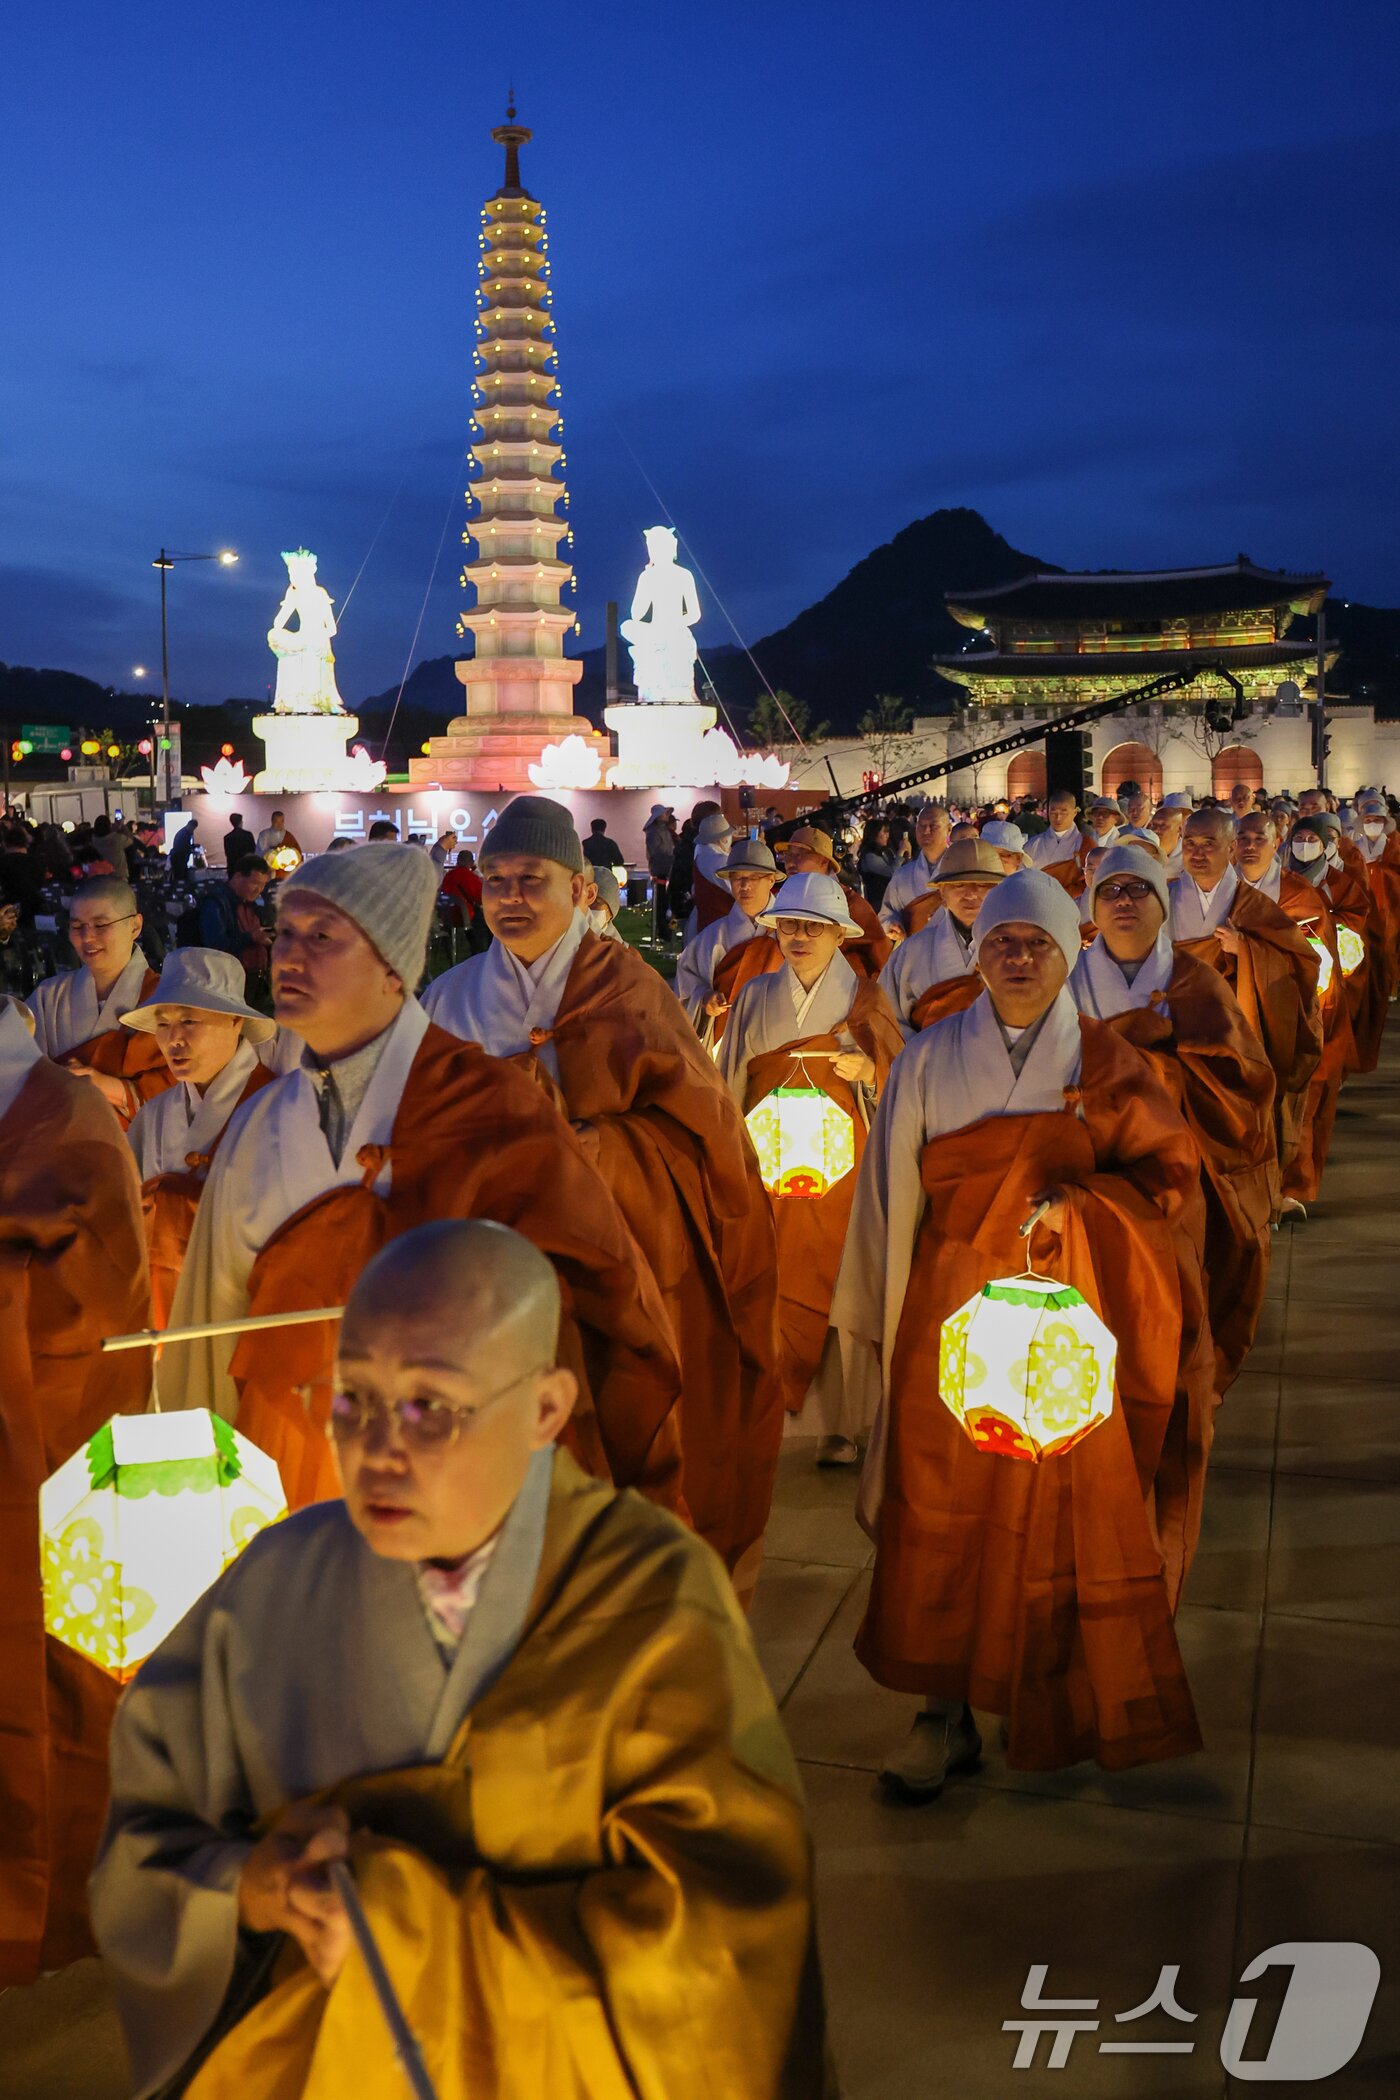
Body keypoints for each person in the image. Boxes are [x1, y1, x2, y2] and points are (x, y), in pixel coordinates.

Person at [91, 1221, 828, 2100]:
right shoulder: (276, 1583)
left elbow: (723, 1958)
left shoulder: (654, 1601)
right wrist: (245, 1891)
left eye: (429, 1409)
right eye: (352, 1399)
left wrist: (405, 1931)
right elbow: (147, 1838)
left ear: (546, 1410)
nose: (376, 1449)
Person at [162, 844, 685, 1523]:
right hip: (283, 1477)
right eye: (284, 932)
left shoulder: (491, 1109)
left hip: (450, 1474)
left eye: (321, 937)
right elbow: (210, 1330)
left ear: (391, 966)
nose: (288, 956)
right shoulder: (260, 1122)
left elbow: (596, 1294)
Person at [827, 871, 1206, 1793]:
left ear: (1069, 951)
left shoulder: (1109, 1065)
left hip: (1068, 1324)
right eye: (1002, 941)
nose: (1019, 958)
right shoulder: (928, 1057)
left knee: (1056, 1515)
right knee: (940, 1509)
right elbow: (889, 1199)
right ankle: (939, 1713)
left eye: (1038, 943)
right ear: (979, 952)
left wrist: (1084, 1208)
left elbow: (1168, 1183)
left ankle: (1053, 1698)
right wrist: (881, 1315)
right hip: (950, 1315)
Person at [421, 797, 782, 1600]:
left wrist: (603, 1151)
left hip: (622, 1257)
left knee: (623, 1434)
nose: (510, 898)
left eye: (532, 880)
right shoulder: (450, 1001)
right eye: (496, 881)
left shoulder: (629, 992)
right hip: (495, 1269)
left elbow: (705, 1135)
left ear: (581, 890)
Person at [0, 994, 150, 1985]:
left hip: (51, 1449)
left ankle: (56, 1912)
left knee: (58, 1677)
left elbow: (90, 1307)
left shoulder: (66, 1119)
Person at [1071, 845, 1275, 1390]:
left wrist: (1163, 1071)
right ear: (1093, 907)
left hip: (1176, 1163)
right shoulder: (1065, 980)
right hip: (1089, 1158)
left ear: (1163, 905)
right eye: (1110, 890)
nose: (1124, 901)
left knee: (1177, 1285)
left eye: (1139, 889)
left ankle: (1174, 1389)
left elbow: (1244, 1080)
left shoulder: (1198, 983)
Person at [716, 874, 903, 1468]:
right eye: (789, 926)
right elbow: (730, 1078)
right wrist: (727, 1152)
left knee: (840, 1277)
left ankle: (841, 1424)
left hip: (840, 1163)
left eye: (813, 928)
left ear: (839, 936)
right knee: (767, 1270)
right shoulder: (755, 994)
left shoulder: (865, 999)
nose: (798, 937)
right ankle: (769, 1411)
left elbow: (899, 1069)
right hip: (768, 1154)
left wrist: (869, 1070)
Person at [1170, 808, 1323, 1189]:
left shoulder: (1251, 904)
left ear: (1229, 850)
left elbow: (1302, 962)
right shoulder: (1163, 897)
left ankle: (1247, 1192)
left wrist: (1248, 950)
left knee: (1238, 1115)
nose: (1197, 853)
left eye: (1209, 844)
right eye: (1190, 843)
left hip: (1237, 1025)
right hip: (1175, 1025)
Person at [124, 951, 278, 1325]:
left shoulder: (278, 1107)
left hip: (244, 1306)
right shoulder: (154, 1116)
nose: (172, 1039)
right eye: (163, 1024)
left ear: (236, 1021)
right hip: (166, 1309)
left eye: (189, 1021)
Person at [26, 875, 171, 1127]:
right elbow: (17, 1071)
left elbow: (183, 1093)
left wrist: (108, 1087)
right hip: (58, 1136)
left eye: (100, 925)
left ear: (135, 927)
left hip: (137, 1144)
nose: (87, 937)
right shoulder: (48, 996)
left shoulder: (165, 998)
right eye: (77, 926)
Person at [878, 838, 1004, 1037]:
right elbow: (885, 1018)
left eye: (983, 884)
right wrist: (923, 1052)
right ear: (942, 893)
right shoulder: (912, 951)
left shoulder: (1018, 950)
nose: (971, 894)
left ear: (1001, 891)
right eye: (959, 884)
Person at [674, 835, 781, 1034]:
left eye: (754, 877)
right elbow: (685, 980)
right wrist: (704, 997)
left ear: (771, 880)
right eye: (737, 878)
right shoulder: (712, 937)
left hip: (777, 1032)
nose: (744, 885)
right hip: (726, 1034)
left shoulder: (788, 930)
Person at [781, 824, 891, 977]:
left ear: (824, 861)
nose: (790, 862)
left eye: (800, 855)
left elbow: (881, 958)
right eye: (788, 855)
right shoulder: (785, 898)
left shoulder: (849, 904)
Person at [877, 802, 950, 935]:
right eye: (921, 826)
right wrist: (892, 924)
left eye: (933, 826)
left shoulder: (962, 871)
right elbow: (886, 914)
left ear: (948, 829)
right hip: (914, 945)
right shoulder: (902, 875)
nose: (926, 831)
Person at [197, 856, 274, 982]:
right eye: (255, 883)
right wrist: (251, 937)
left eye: (263, 885)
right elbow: (216, 945)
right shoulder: (215, 903)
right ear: (238, 876)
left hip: (250, 977)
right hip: (224, 979)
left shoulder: (250, 904)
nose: (258, 890)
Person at [1025, 789, 1087, 892]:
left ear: (1075, 812)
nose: (1058, 818)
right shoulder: (1032, 844)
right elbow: (1023, 878)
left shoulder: (1085, 844)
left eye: (1064, 813)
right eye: (1053, 813)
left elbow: (1089, 883)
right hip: (1039, 897)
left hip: (1073, 900)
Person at [686, 806, 735, 934]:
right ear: (723, 838)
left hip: (706, 923)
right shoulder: (718, 861)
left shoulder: (703, 851)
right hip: (719, 926)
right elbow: (737, 889)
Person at [1148, 792, 1193, 878]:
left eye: (1185, 814)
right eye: (1176, 812)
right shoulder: (1144, 847)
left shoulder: (1192, 854)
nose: (1181, 818)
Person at [857, 818, 898, 909]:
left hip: (891, 897)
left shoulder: (886, 850)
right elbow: (892, 872)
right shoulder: (870, 856)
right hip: (878, 901)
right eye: (884, 832)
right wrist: (901, 854)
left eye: (887, 832)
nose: (887, 835)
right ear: (874, 834)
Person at [584, 861, 626, 941]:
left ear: (610, 912)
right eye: (585, 901)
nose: (589, 907)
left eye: (596, 902)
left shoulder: (616, 946)